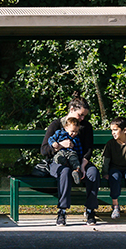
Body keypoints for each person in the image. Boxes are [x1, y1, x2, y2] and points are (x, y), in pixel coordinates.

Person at [40, 96, 99, 226]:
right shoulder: (56, 125)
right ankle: (62, 211)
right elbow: (44, 150)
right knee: (65, 172)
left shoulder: (86, 127)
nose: (83, 118)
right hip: (59, 162)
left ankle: (90, 210)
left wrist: (83, 165)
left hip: (78, 161)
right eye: (81, 115)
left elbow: (88, 149)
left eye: (84, 116)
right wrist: (60, 145)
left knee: (93, 172)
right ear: (72, 109)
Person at [46, 116, 88, 185]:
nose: (74, 134)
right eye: (72, 131)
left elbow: (79, 149)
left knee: (74, 159)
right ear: (66, 128)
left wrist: (79, 157)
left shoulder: (76, 138)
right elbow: (50, 139)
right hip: (61, 152)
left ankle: (76, 171)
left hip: (71, 152)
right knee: (59, 158)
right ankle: (66, 164)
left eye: (76, 132)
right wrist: (54, 144)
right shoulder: (59, 133)